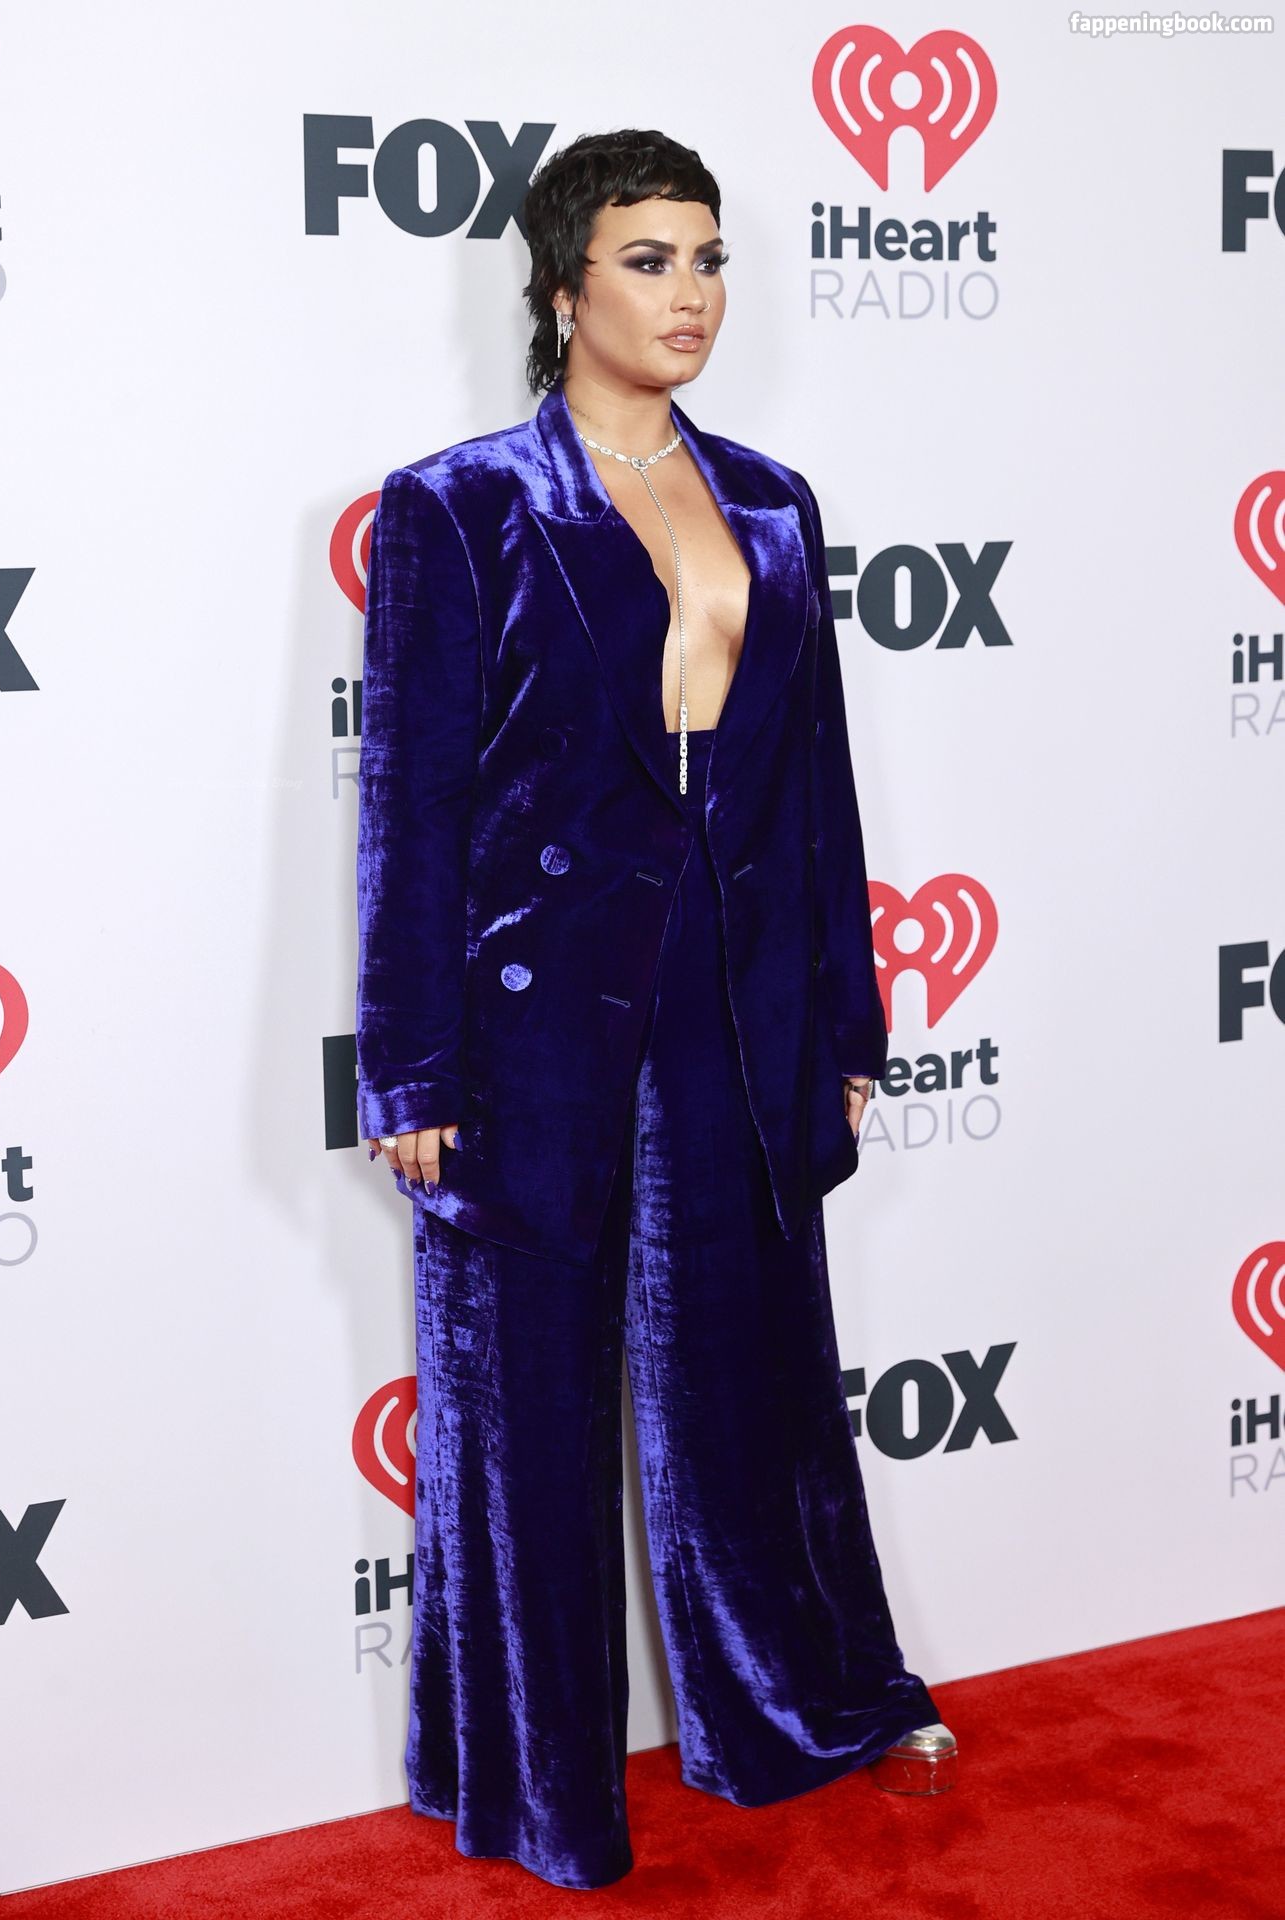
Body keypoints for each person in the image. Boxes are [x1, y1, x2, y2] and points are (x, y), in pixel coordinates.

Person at [355, 127, 956, 1893]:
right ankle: (532, 1781)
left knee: (752, 1374)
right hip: (529, 1019)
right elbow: (411, 805)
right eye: (646, 259)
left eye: (708, 259)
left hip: (734, 997)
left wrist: (845, 1022)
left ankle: (794, 1703)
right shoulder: (460, 505)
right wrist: (410, 1064)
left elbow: (812, 786)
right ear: (562, 290)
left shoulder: (769, 499)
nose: (688, 294)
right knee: (523, 1408)